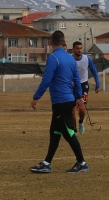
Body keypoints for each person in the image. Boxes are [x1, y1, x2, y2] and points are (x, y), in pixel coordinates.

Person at [29, 31, 88, 174]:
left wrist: (36, 96)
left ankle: (82, 163)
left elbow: (47, 79)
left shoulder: (53, 58)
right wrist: (79, 97)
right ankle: (46, 163)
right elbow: (77, 79)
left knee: (68, 133)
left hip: (61, 102)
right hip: (67, 100)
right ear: (63, 42)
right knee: (55, 132)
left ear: (50, 41)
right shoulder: (70, 59)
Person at [71, 41, 100, 134]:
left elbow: (94, 70)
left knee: (82, 107)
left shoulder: (87, 59)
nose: (79, 50)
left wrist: (97, 84)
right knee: (72, 109)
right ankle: (74, 128)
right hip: (71, 86)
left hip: (83, 85)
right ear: (73, 49)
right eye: (77, 48)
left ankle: (81, 121)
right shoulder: (69, 59)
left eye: (81, 48)